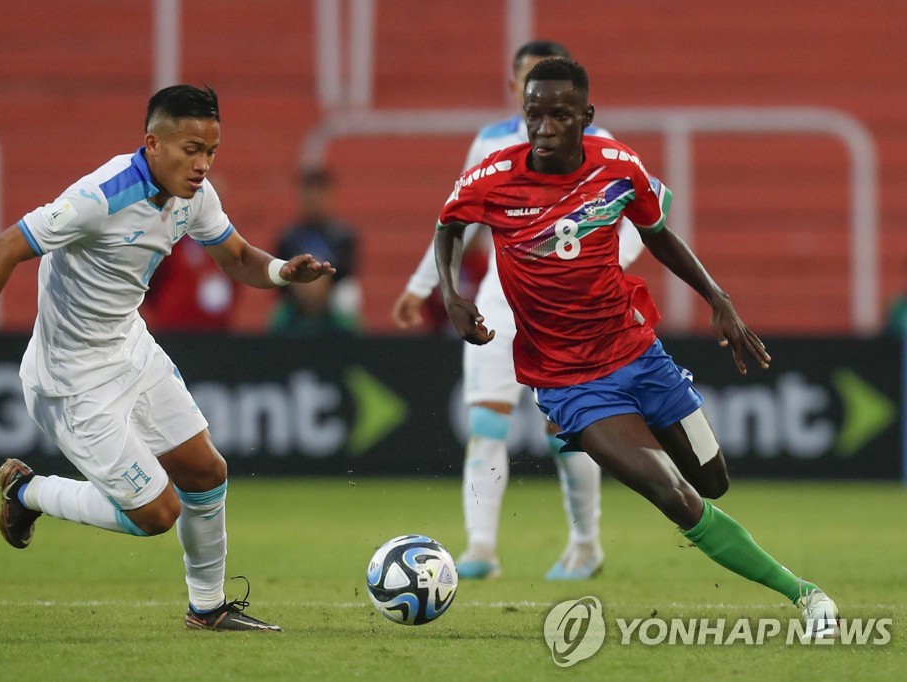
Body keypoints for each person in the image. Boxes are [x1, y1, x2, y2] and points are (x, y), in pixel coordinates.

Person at [0, 84, 336, 633]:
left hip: (131, 348)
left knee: (206, 471)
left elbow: (239, 257)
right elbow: (2, 247)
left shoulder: (195, 195)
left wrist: (281, 273)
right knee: (157, 514)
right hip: (72, 380)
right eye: (191, 149)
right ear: (153, 143)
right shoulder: (100, 196)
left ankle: (208, 609)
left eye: (212, 152)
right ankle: (27, 491)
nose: (202, 164)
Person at [433, 58, 839, 638]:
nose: (543, 128)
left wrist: (718, 297)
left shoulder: (619, 167)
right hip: (570, 382)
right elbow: (448, 224)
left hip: (639, 355)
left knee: (712, 480)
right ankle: (805, 595)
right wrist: (451, 294)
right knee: (672, 493)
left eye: (558, 115)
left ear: (586, 117)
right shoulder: (493, 175)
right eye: (534, 115)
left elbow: (658, 235)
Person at [392, 40, 643, 581]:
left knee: (567, 427)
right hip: (501, 302)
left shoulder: (600, 146)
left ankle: (585, 544)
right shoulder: (490, 144)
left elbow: (642, 219)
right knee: (485, 418)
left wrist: (602, 269)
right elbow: (456, 220)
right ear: (516, 90)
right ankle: (481, 547)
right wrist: (427, 287)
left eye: (555, 98)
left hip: (569, 309)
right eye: (531, 90)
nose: (543, 108)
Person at [271, 167, 362, 334]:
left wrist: (320, 284)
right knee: (276, 315)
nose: (312, 200)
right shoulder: (288, 237)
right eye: (308, 193)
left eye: (318, 193)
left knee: (349, 301)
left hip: (332, 301)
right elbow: (278, 279)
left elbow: (347, 274)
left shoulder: (343, 236)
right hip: (296, 300)